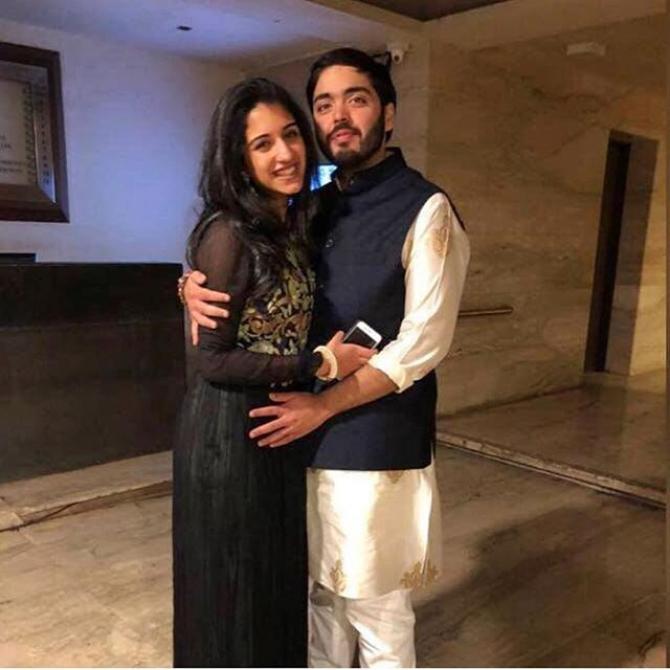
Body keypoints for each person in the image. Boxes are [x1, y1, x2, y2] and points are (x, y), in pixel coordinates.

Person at [184, 49, 470, 668]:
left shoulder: (427, 209)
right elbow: (248, 269)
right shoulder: (314, 206)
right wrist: (189, 284)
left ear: (388, 114)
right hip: (296, 439)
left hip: (372, 440)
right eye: (323, 104)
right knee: (318, 600)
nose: (338, 116)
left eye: (356, 99)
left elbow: (423, 343)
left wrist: (324, 403)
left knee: (375, 610)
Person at [172, 77, 373, 668]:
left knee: (272, 584)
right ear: (238, 158)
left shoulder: (290, 221)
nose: (284, 153)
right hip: (227, 433)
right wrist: (320, 363)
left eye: (290, 135)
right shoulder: (229, 232)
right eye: (262, 144)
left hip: (276, 428)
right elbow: (211, 357)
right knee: (232, 590)